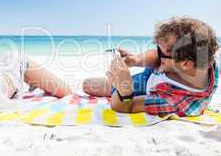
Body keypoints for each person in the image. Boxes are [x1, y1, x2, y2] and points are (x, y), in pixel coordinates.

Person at [83, 17, 219, 117]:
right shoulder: (203, 55)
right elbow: (159, 56)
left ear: (185, 64)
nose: (157, 54)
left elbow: (126, 107)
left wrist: (124, 89)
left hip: (142, 88)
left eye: (161, 52)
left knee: (88, 85)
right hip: (154, 75)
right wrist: (136, 59)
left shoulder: (175, 103)